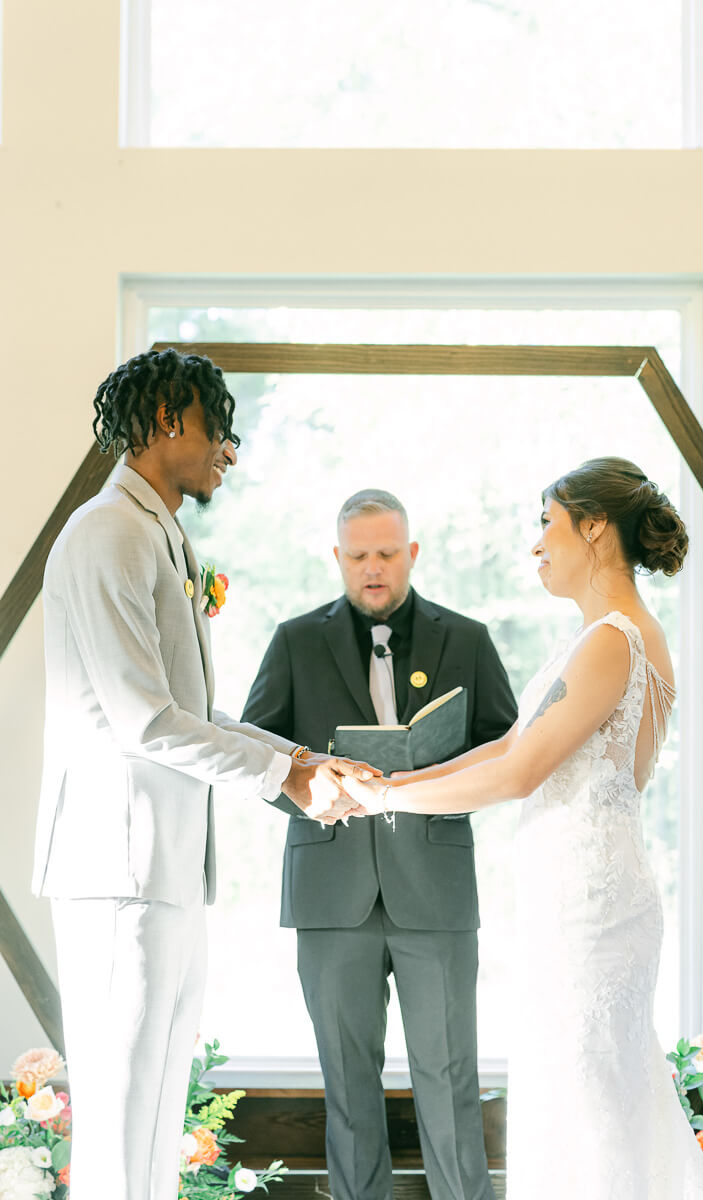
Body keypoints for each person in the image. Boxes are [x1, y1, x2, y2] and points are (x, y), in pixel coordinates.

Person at [31, 348, 371, 1200]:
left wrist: (298, 757)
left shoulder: (159, 533)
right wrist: (282, 781)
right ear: (164, 423)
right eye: (218, 425)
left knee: (153, 1111)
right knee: (118, 1117)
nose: (231, 446)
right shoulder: (108, 530)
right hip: (119, 866)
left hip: (165, 869)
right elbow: (144, 719)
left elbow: (188, 704)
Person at [343, 459, 703, 1198]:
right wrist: (389, 783)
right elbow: (511, 745)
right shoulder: (595, 639)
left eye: (546, 523)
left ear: (592, 527)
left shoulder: (614, 639)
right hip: (577, 901)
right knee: (584, 1094)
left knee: (588, 1103)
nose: (536, 545)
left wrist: (384, 804)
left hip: (593, 910)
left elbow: (520, 774)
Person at [242, 488, 517, 1200]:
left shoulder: (470, 638)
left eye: (387, 554)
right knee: (347, 1085)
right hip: (331, 894)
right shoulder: (294, 640)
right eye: (359, 555)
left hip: (437, 891)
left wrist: (440, 770)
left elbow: (511, 755)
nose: (374, 568)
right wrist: (312, 788)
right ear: (337, 558)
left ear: (412, 554)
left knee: (452, 1079)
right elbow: (253, 755)